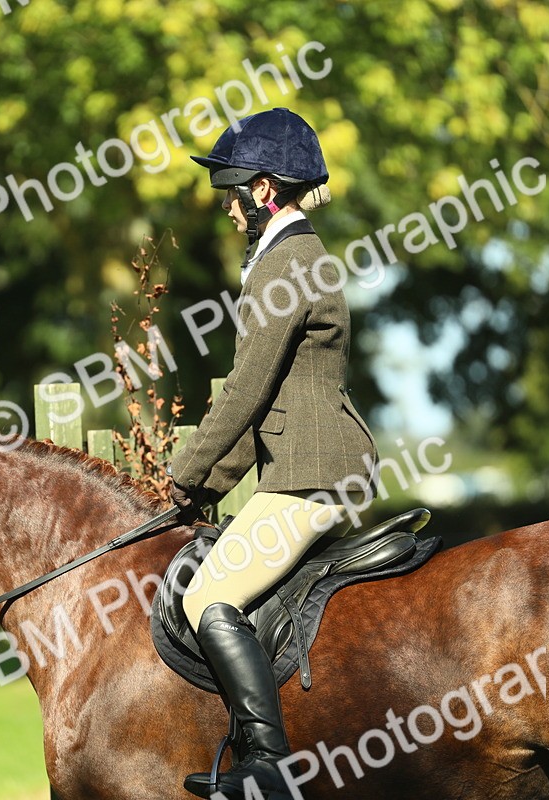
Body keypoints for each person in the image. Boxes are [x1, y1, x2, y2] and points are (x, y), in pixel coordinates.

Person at [168, 107, 379, 799]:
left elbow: (246, 391)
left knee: (208, 596)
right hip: (309, 464)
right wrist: (207, 486)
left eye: (233, 191)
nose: (227, 206)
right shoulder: (292, 258)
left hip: (313, 476)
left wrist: (185, 475)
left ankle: (270, 766)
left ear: (265, 191)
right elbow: (268, 405)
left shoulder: (286, 263)